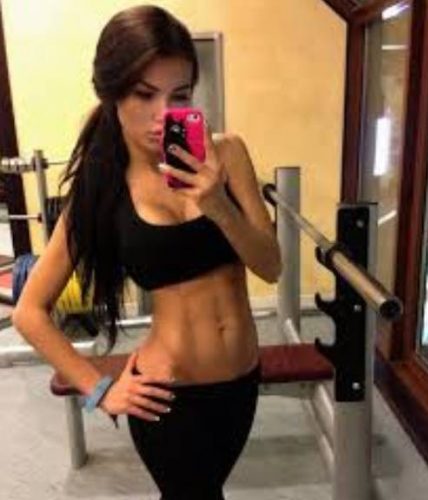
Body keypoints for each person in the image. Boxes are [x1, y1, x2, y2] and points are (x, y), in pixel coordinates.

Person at [12, 5, 281, 499]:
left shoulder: (227, 154)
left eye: (179, 95)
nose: (162, 114)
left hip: (241, 383)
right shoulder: (103, 188)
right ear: (112, 94)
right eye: (144, 94)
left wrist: (219, 206)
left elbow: (271, 266)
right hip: (167, 396)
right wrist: (100, 389)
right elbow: (29, 311)